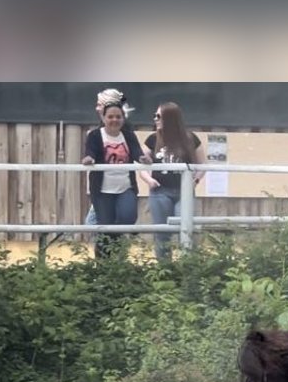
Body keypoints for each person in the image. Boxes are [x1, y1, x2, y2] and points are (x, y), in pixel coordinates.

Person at [81, 101, 149, 259]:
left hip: (126, 186)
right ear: (103, 118)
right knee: (106, 227)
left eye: (118, 116)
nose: (114, 120)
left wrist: (142, 158)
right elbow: (90, 151)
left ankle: (115, 256)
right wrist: (89, 158)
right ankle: (104, 261)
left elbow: (136, 152)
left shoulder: (129, 135)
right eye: (110, 116)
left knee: (128, 217)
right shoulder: (95, 135)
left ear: (123, 119)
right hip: (102, 190)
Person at [138, 101, 203, 262]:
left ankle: (188, 266)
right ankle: (165, 269)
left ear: (171, 118)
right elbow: (140, 164)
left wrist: (196, 180)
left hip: (184, 191)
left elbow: (203, 165)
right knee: (162, 233)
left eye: (159, 116)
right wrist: (148, 179)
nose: (155, 119)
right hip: (160, 191)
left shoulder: (190, 138)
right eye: (154, 116)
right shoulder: (152, 139)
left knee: (186, 230)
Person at [85, 88, 135, 230]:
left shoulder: (121, 130)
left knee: (94, 224)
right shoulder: (97, 132)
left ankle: (111, 248)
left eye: (99, 104)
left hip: (116, 185)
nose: (97, 107)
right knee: (99, 222)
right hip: (102, 184)